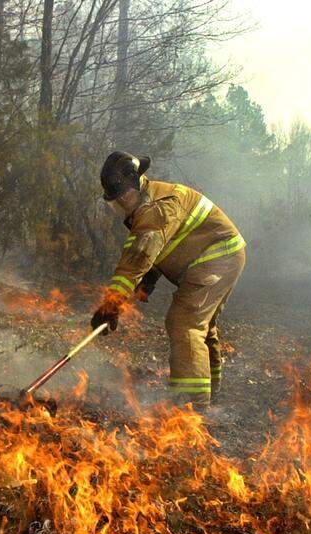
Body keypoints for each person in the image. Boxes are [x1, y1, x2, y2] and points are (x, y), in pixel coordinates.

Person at [91, 151, 246, 407]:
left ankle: (190, 404)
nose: (118, 205)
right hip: (221, 254)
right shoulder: (151, 199)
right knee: (202, 325)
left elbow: (137, 258)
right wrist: (150, 279)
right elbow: (168, 244)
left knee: (184, 322)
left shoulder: (155, 210)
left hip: (217, 256)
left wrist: (110, 305)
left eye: (119, 198)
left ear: (130, 191)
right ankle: (211, 391)